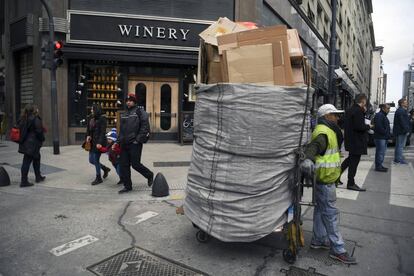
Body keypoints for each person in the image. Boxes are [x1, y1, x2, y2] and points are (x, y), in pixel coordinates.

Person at [300, 104, 357, 264]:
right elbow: (314, 147)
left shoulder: (328, 130)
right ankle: (338, 249)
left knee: (320, 210)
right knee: (330, 214)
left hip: (325, 179)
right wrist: (308, 159)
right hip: (324, 181)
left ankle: (318, 240)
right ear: (326, 116)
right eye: (334, 115)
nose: (337, 117)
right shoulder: (324, 132)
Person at [117, 93, 153, 194]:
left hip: (134, 143)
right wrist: (118, 141)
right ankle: (127, 186)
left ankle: (149, 175)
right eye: (127, 100)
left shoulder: (140, 112)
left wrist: (138, 140)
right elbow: (122, 129)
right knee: (124, 165)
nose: (128, 102)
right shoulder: (124, 113)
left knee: (135, 164)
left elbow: (145, 127)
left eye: (131, 100)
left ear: (134, 102)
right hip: (124, 143)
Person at [341, 94, 370, 191]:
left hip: (351, 140)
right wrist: (369, 126)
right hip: (356, 141)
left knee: (349, 160)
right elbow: (359, 127)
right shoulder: (358, 111)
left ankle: (336, 177)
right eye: (365, 101)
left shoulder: (350, 109)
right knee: (353, 163)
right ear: (363, 101)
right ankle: (351, 183)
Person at [18, 104, 46, 187]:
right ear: (34, 110)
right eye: (36, 109)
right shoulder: (35, 118)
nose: (37, 110)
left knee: (36, 158)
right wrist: (42, 138)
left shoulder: (23, 118)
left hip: (26, 143)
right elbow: (39, 131)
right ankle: (24, 181)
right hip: (32, 144)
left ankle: (38, 176)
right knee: (27, 161)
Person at [86, 104, 111, 185]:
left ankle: (98, 178)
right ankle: (105, 168)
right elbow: (88, 129)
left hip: (98, 143)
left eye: (92, 109)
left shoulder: (102, 119)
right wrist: (88, 136)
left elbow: (102, 132)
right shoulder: (90, 118)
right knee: (91, 160)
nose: (91, 111)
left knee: (96, 160)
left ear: (96, 110)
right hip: (91, 142)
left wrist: (99, 143)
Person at [373, 104, 391, 172]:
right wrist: (385, 132)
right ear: (383, 108)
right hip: (380, 137)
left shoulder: (383, 115)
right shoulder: (379, 115)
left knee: (382, 152)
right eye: (388, 108)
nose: (389, 110)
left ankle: (380, 165)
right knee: (380, 152)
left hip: (383, 137)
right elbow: (378, 126)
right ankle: (378, 166)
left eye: (389, 108)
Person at [393, 98, 411, 164]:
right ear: (402, 103)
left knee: (398, 146)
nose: (407, 103)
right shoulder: (401, 111)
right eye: (405, 102)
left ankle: (397, 159)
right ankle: (399, 160)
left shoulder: (400, 110)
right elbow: (403, 122)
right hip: (401, 131)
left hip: (399, 131)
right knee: (400, 146)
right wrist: (407, 130)